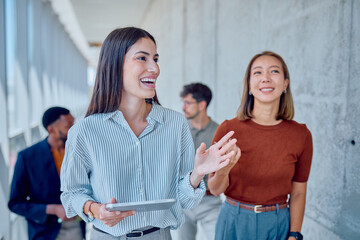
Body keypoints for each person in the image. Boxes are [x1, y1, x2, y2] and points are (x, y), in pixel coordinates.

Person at [60, 27, 237, 240]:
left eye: (155, 58)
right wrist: (95, 209)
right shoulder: (85, 131)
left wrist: (198, 173)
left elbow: (185, 200)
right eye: (142, 58)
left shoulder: (174, 124)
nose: (154, 68)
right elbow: (71, 195)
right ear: (115, 65)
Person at [208, 51, 313, 240]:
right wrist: (226, 168)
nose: (265, 78)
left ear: (285, 84)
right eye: (257, 73)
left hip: (278, 224)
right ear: (249, 85)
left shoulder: (301, 135)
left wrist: (294, 234)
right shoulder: (228, 130)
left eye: (274, 71)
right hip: (233, 222)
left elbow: (298, 192)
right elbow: (215, 190)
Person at [8, 107, 86, 240]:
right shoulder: (27, 158)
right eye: (68, 126)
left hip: (76, 226)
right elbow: (15, 203)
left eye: (73, 124)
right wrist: (53, 209)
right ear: (51, 130)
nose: (73, 129)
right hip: (45, 231)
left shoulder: (80, 152)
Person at [176, 83, 222, 240]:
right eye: (183, 102)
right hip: (183, 201)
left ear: (202, 105)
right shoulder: (179, 131)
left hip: (209, 201)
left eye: (188, 103)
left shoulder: (219, 133)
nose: (183, 107)